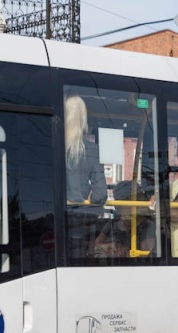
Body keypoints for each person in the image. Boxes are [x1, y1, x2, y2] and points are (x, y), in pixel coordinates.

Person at [65, 95, 107, 258]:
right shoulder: (92, 150)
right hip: (82, 222)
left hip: (53, 220)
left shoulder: (52, 147)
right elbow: (100, 195)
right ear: (84, 119)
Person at [92, 180, 155, 257]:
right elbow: (96, 244)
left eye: (122, 203)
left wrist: (127, 252)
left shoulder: (147, 226)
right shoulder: (113, 223)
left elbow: (146, 253)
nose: (119, 207)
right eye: (118, 203)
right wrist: (109, 246)